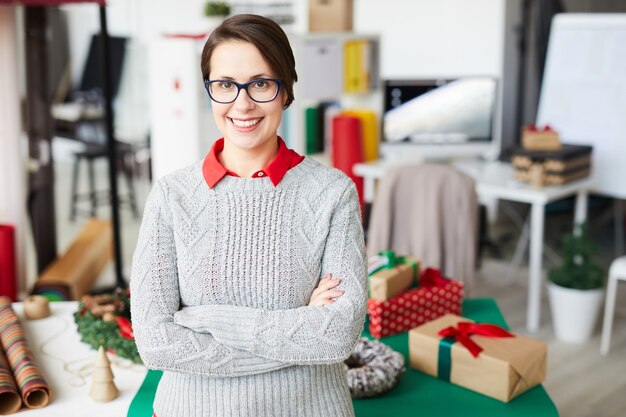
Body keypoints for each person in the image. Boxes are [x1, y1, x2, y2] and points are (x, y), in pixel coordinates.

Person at [130, 13, 367, 417]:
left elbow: (338, 335)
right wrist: (300, 325)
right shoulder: (171, 195)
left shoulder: (333, 192)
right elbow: (156, 343)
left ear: (286, 91)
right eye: (225, 85)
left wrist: (209, 320)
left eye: (261, 83)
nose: (242, 103)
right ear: (210, 91)